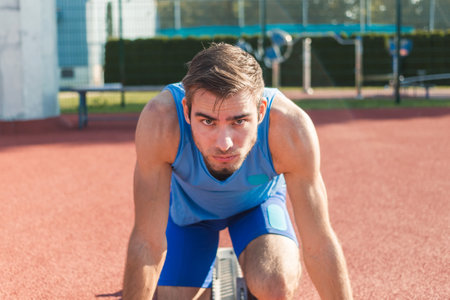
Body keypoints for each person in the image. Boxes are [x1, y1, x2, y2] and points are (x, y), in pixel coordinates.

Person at [122, 43, 352, 300]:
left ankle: (255, 262)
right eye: (207, 121)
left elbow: (319, 244)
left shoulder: (290, 129)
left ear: (261, 110)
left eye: (239, 121)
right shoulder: (161, 121)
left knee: (275, 284)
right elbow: (146, 241)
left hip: (257, 206)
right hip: (188, 214)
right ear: (186, 111)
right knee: (171, 296)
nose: (224, 143)